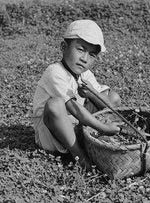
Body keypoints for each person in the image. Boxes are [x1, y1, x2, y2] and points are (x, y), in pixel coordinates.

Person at [32, 19, 121, 169]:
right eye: (80, 49)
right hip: (51, 135)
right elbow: (73, 108)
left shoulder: (85, 74)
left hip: (75, 125)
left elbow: (112, 108)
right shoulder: (55, 72)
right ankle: (79, 155)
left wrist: (92, 94)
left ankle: (88, 140)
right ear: (64, 47)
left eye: (92, 54)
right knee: (55, 104)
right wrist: (103, 128)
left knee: (112, 97)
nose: (84, 59)